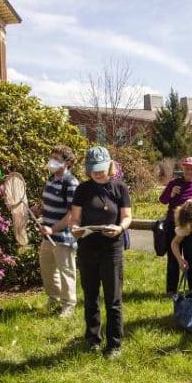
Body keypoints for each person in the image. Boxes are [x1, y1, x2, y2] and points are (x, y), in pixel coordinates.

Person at [70, 146, 132, 359]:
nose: (98, 173)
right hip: (88, 248)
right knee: (91, 296)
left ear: (109, 166)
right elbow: (75, 219)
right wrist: (75, 229)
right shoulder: (82, 190)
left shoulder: (120, 188)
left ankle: (114, 343)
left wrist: (120, 228)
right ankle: (92, 339)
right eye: (93, 169)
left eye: (101, 168)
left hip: (111, 249)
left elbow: (126, 216)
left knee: (113, 298)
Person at [33, 145, 79, 318]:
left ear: (67, 163)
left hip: (63, 237)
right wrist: (39, 210)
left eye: (57, 159)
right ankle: (54, 298)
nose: (52, 161)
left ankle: (68, 305)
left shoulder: (71, 183)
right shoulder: (51, 179)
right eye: (52, 157)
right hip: (48, 235)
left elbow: (72, 214)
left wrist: (53, 229)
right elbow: (48, 203)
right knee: (47, 268)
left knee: (66, 271)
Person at [158, 157, 192, 295]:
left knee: (191, 257)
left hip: (191, 228)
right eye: (187, 168)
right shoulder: (174, 183)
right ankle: (171, 290)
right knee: (173, 257)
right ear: (183, 169)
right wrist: (171, 194)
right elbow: (162, 200)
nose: (189, 171)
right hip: (173, 224)